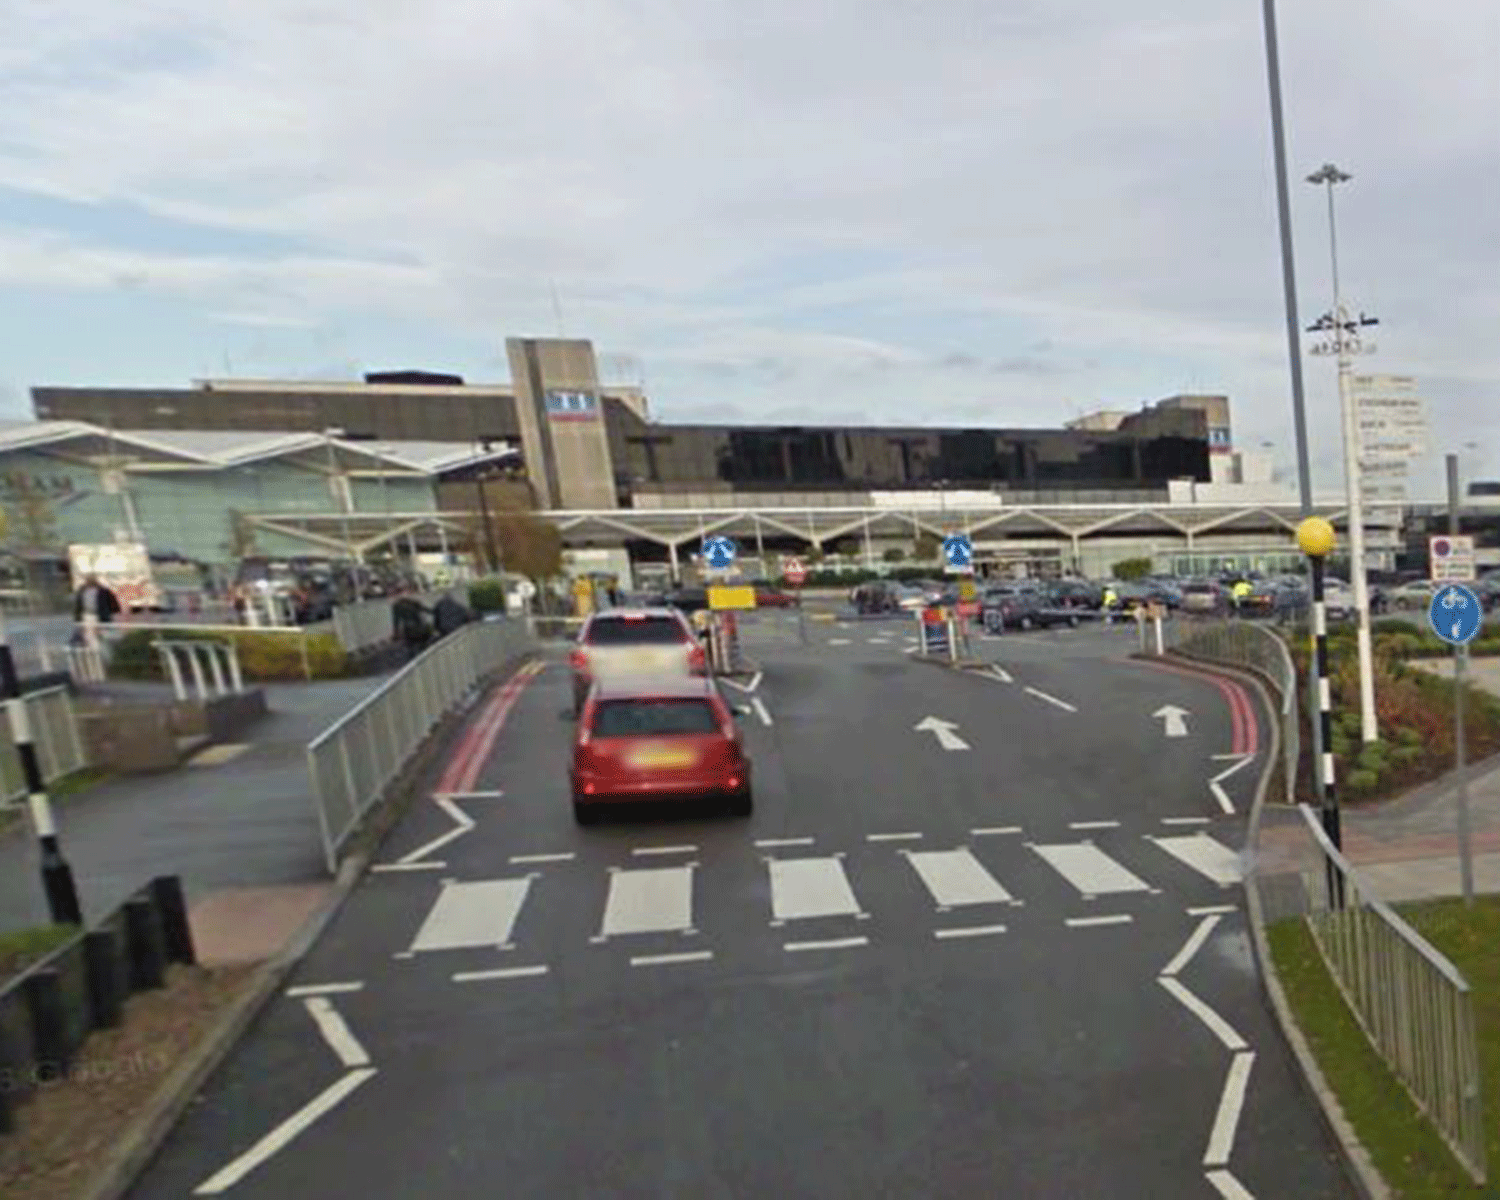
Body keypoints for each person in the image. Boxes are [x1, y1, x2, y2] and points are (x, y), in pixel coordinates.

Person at [390, 588, 432, 661]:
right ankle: (425, 660)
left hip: (408, 630)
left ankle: (414, 663)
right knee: (423, 648)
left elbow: (396, 621)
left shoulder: (397, 606)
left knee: (411, 649)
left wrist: (396, 633)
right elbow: (426, 610)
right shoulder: (414, 603)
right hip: (419, 628)